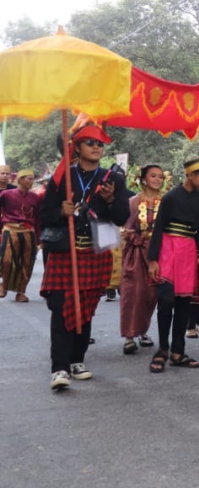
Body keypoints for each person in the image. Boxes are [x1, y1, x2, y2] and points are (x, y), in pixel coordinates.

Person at [39, 123, 131, 390]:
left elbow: (121, 218)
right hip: (64, 252)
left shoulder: (113, 179)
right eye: (90, 143)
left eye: (100, 144)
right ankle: (59, 368)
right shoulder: (62, 177)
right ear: (77, 148)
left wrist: (111, 200)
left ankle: (77, 360)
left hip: (94, 252)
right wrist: (61, 211)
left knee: (86, 306)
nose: (96, 147)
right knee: (60, 306)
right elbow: (44, 215)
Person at [147, 157, 199, 374]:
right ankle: (162, 349)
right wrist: (153, 259)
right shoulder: (171, 197)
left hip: (187, 251)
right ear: (190, 175)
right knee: (166, 301)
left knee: (184, 303)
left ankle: (178, 351)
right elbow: (158, 228)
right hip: (168, 249)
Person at [119, 165, 164, 354]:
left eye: (160, 176)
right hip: (136, 253)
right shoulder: (133, 202)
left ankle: (143, 330)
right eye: (153, 176)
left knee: (151, 295)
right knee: (132, 293)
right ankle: (129, 336)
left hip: (160, 253)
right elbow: (124, 228)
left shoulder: (166, 202)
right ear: (144, 179)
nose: (157, 179)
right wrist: (134, 236)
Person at [0, 170, 42, 302]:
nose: (32, 182)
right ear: (20, 180)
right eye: (29, 179)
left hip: (29, 232)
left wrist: (39, 239)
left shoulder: (35, 197)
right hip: (10, 230)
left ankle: (21, 292)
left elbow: (38, 218)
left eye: (32, 179)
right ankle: (4, 286)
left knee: (27, 263)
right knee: (6, 260)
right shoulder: (6, 194)